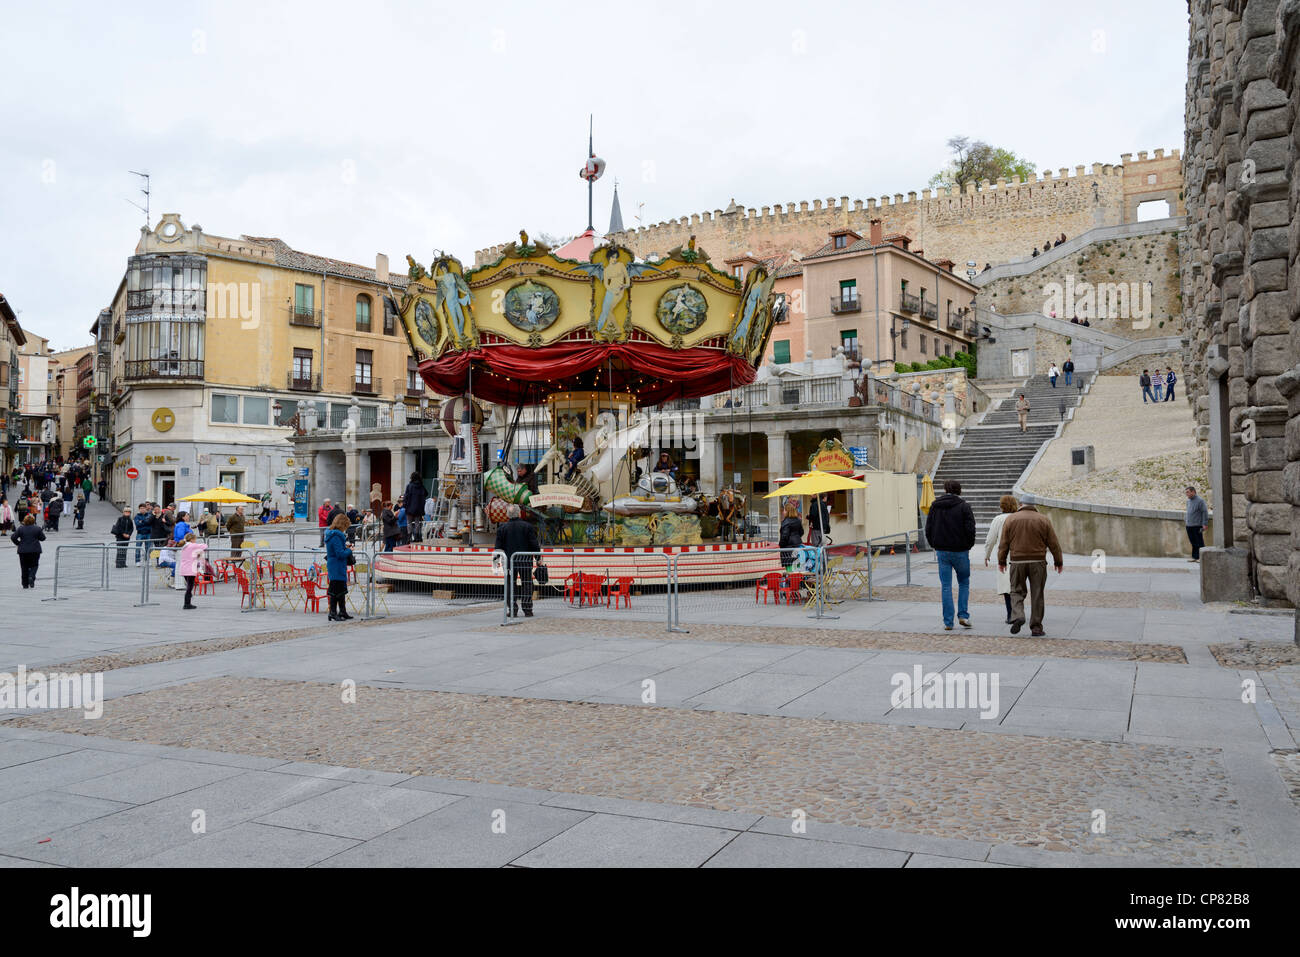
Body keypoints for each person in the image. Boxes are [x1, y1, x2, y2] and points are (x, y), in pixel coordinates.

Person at [997, 502, 1064, 637]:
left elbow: (1004, 543)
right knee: (1037, 594)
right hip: (1038, 562)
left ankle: (1018, 615)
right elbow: (1053, 543)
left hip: (1017, 561)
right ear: (1034, 505)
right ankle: (1036, 627)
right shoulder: (1043, 519)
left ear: (1021, 504)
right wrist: (1058, 561)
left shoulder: (1011, 519)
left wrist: (1001, 561)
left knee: (1016, 591)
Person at [925, 479, 976, 630]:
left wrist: (934, 544)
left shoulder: (935, 506)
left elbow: (928, 528)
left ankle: (948, 621)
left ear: (945, 489)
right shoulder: (964, 506)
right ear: (959, 490)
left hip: (942, 551)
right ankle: (963, 615)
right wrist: (968, 545)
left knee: (946, 586)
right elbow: (971, 528)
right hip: (960, 550)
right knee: (964, 583)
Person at [495, 503, 540, 617]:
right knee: (527, 584)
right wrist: (538, 559)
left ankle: (513, 609)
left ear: (507, 515)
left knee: (510, 584)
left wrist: (496, 566)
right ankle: (527, 609)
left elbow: (498, 548)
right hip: (525, 561)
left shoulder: (502, 528)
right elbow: (534, 545)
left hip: (509, 562)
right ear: (519, 513)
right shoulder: (528, 527)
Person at [983, 495, 1019, 624]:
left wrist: (987, 555)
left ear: (1002, 506)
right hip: (1019, 555)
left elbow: (991, 539)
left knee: (1006, 587)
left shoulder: (998, 519)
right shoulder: (1019, 517)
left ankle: (1011, 614)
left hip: (1004, 556)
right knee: (1018, 586)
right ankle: (1018, 612)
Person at [324, 513, 354, 621]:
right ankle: (332, 612)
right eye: (346, 526)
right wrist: (350, 550)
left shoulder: (333, 535)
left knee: (341, 590)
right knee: (335, 591)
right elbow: (340, 554)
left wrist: (345, 547)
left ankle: (342, 611)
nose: (345, 529)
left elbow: (338, 550)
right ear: (342, 525)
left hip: (336, 565)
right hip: (336, 566)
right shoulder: (336, 536)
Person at [11, 514, 46, 589]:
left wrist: (19, 543)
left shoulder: (21, 528)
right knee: (34, 565)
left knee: (24, 567)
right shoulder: (37, 528)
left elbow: (13, 537)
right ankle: (31, 576)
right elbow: (43, 538)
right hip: (35, 550)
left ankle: (25, 584)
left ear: (25, 521)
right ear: (33, 521)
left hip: (23, 551)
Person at [177, 531, 208, 610]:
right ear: (192, 540)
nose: (195, 541)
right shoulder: (192, 545)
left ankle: (188, 602)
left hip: (184, 568)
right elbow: (205, 546)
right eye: (195, 539)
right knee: (190, 587)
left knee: (189, 585)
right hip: (190, 568)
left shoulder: (184, 546)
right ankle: (187, 604)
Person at [1184, 485, 1209, 562]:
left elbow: (1204, 512)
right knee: (1193, 542)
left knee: (1199, 542)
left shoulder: (1200, 501)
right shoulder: (1188, 501)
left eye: (1188, 492)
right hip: (1189, 525)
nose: (1186, 494)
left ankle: (1201, 557)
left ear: (1193, 492)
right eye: (1186, 493)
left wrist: (1204, 524)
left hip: (1197, 525)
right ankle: (1195, 557)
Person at [403, 473, 428, 542]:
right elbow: (426, 493)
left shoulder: (409, 486)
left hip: (410, 507)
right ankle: (416, 537)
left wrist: (405, 505)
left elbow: (406, 496)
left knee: (409, 523)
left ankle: (409, 537)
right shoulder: (421, 486)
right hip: (419, 508)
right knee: (417, 523)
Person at [778, 503, 803, 568]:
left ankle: (791, 578)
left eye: (784, 510)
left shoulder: (786, 522)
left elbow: (784, 536)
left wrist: (781, 545)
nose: (783, 512)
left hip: (788, 547)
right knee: (797, 565)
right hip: (798, 545)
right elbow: (801, 532)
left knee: (789, 566)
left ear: (787, 511)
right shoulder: (798, 520)